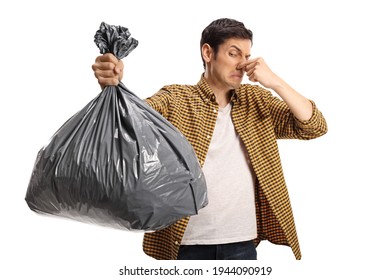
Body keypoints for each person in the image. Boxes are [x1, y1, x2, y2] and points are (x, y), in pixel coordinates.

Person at [92, 18, 327, 260]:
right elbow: (126, 125)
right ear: (208, 52)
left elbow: (314, 126)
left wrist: (275, 81)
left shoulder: (257, 101)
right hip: (186, 243)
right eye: (234, 54)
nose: (243, 64)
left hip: (242, 244)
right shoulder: (176, 99)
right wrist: (112, 86)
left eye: (247, 56)